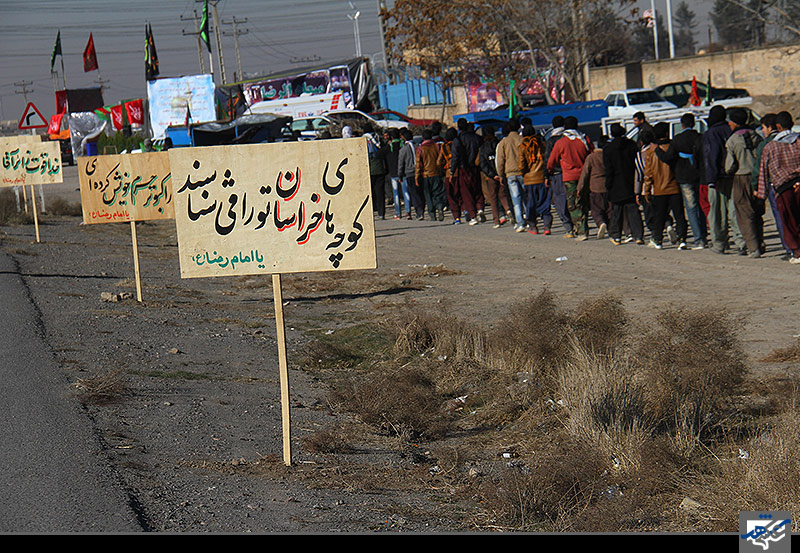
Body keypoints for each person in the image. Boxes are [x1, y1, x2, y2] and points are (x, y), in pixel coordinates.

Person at [655, 112, 707, 249]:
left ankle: (698, 239)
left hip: (684, 177)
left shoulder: (677, 140)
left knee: (691, 208)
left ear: (682, 125)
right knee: (701, 206)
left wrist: (657, 151)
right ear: (694, 123)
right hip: (700, 176)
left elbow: (667, 158)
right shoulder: (700, 137)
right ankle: (704, 235)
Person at [756, 111, 800, 264]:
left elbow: (763, 171)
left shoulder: (770, 147)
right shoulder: (798, 141)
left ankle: (796, 252)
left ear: (778, 126)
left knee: (788, 221)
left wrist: (762, 193)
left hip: (782, 189)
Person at [704, 105, 745, 255]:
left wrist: (711, 179)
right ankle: (741, 241)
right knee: (735, 210)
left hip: (718, 178)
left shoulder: (711, 133)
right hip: (735, 176)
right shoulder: (732, 130)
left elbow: (711, 156)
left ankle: (719, 244)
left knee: (717, 213)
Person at [725, 107, 764, 258]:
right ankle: (760, 241)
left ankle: (753, 247)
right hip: (757, 177)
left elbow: (729, 166)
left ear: (734, 123)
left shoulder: (733, 141)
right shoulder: (756, 136)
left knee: (744, 214)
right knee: (758, 211)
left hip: (741, 178)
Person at [547, 115, 593, 240]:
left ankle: (581, 230)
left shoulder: (561, 142)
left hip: (569, 177)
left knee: (573, 204)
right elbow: (591, 155)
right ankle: (586, 226)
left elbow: (551, 161)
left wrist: (549, 172)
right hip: (585, 176)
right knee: (584, 202)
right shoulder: (584, 139)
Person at [643, 122, 688, 249]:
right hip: (675, 186)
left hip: (659, 189)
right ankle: (682, 239)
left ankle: (657, 240)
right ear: (667, 133)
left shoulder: (650, 152)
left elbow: (648, 173)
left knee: (659, 216)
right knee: (679, 215)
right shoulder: (673, 147)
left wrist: (646, 190)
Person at [603, 123, 644, 245]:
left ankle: (616, 236)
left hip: (615, 182)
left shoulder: (608, 149)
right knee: (633, 210)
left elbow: (608, 169)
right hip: (630, 180)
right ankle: (638, 235)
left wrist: (608, 184)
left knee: (616, 211)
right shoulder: (631, 145)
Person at [450, 118, 484, 225]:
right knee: (478, 189)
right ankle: (480, 209)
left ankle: (473, 216)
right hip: (476, 167)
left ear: (459, 127)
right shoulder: (477, 138)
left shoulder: (458, 140)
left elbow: (455, 157)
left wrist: (452, 171)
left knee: (466, 193)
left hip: (463, 168)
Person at [518, 126, 551, 234]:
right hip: (542, 178)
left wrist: (523, 173)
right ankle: (547, 226)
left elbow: (521, 165)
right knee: (544, 202)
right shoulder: (542, 144)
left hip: (529, 179)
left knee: (531, 203)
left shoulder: (523, 147)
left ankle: (533, 226)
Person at [544, 115, 573, 235]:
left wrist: (547, 175)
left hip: (557, 174)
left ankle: (569, 227)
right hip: (571, 171)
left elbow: (549, 160)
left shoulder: (551, 140)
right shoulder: (570, 137)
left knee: (560, 200)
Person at [496, 119, 526, 232]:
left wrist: (501, 174)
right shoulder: (522, 140)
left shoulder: (504, 142)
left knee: (516, 199)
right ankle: (529, 218)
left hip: (510, 174)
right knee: (525, 197)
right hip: (522, 172)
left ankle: (520, 223)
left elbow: (500, 160)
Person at [478, 125, 511, 228]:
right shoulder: (499, 144)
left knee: (493, 197)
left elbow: (483, 164)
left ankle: (496, 220)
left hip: (491, 177)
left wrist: (492, 175)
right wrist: (500, 173)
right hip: (502, 174)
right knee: (503, 194)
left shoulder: (483, 148)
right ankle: (508, 210)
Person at [578, 135, 609, 239]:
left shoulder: (591, 157)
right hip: (608, 186)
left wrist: (580, 188)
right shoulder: (608, 156)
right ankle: (612, 228)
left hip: (595, 187)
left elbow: (585, 173)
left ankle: (600, 223)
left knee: (596, 210)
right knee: (609, 209)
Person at [416, 128, 446, 221]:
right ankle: (440, 208)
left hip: (426, 175)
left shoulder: (420, 148)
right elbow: (440, 159)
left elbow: (418, 164)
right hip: (436, 173)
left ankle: (432, 213)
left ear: (423, 137)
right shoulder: (437, 147)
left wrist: (416, 177)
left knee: (428, 195)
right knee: (437, 193)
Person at [397, 128, 424, 220]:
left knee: (414, 193)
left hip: (410, 173)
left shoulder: (403, 150)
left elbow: (401, 163)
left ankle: (419, 211)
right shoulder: (418, 146)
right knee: (420, 192)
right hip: (419, 171)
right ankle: (421, 210)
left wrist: (400, 174)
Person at [439, 127, 464, 224]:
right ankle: (465, 210)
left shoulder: (444, 147)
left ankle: (456, 217)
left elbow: (439, 161)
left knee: (451, 195)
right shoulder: (460, 144)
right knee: (461, 192)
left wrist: (443, 168)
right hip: (460, 171)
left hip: (449, 173)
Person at [385, 128, 407, 219]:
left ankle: (398, 213)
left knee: (396, 194)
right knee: (406, 193)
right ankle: (408, 212)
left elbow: (378, 154)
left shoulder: (390, 147)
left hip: (393, 172)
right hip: (403, 172)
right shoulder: (403, 145)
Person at [366, 132, 387, 219]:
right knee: (380, 192)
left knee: (371, 193)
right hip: (380, 170)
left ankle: (372, 211)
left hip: (369, 171)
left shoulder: (364, 142)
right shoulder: (379, 141)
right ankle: (381, 213)